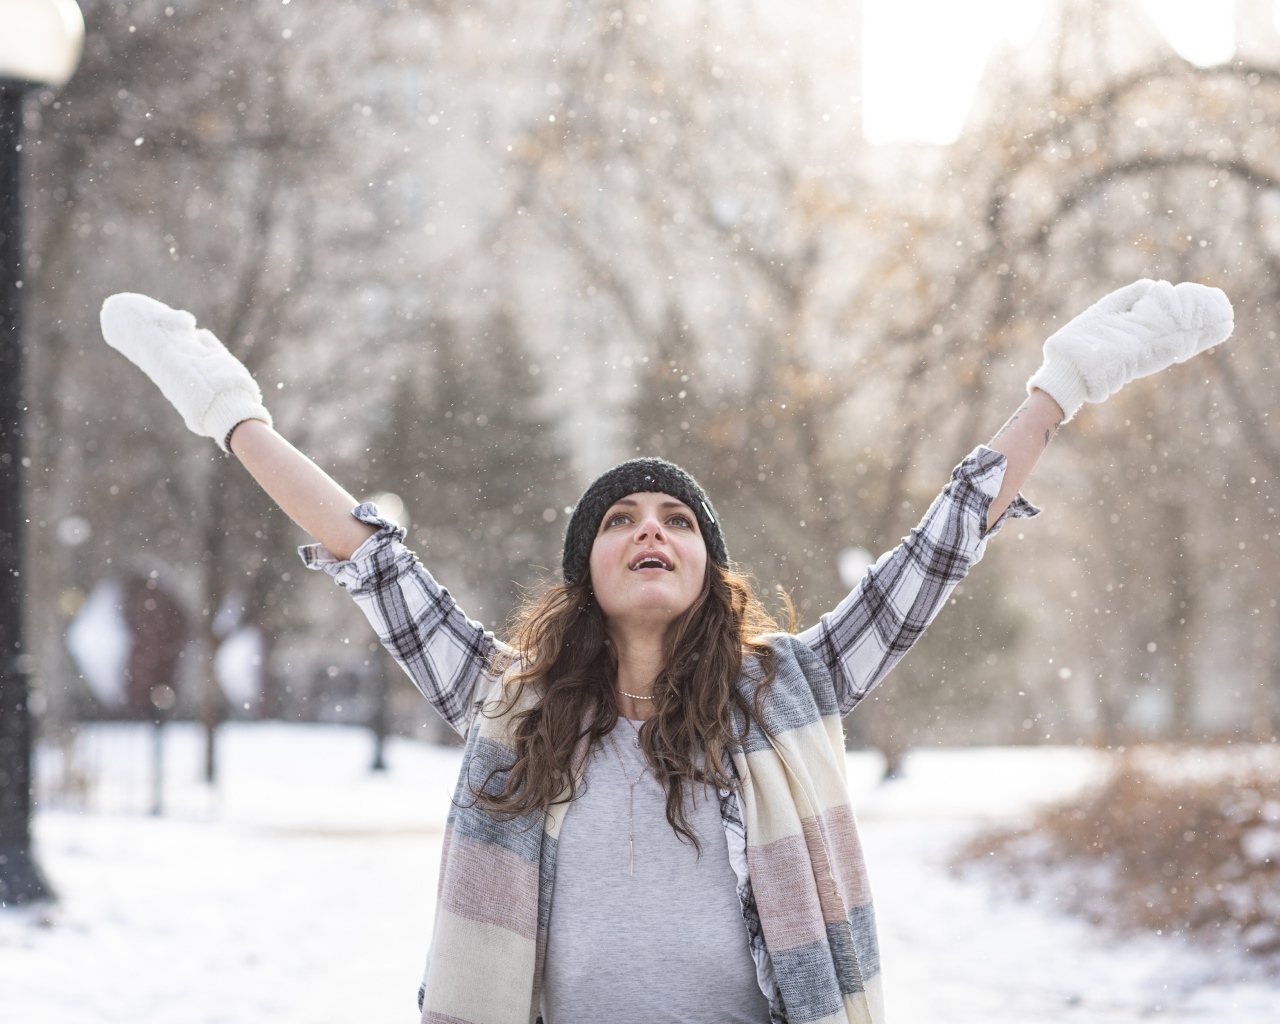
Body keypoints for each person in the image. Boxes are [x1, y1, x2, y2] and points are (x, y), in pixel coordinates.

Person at [99, 279, 1232, 1024]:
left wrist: (1058, 384)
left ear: (708, 569)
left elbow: (935, 551)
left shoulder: (789, 688)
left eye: (678, 519)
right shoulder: (512, 702)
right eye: (622, 518)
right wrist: (231, 411)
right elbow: (368, 555)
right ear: (585, 571)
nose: (651, 528)